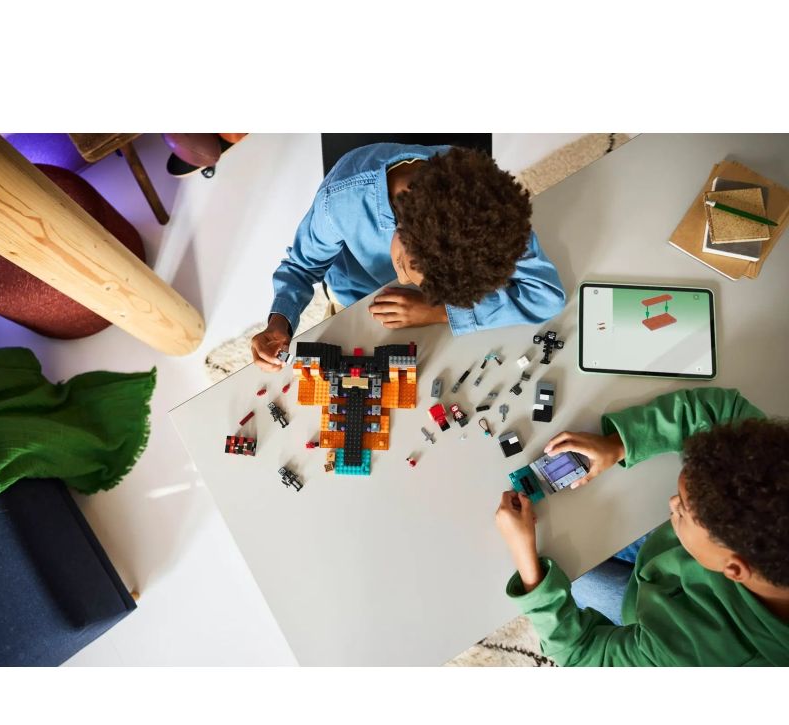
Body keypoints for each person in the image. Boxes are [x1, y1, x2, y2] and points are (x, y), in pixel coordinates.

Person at [494, 387, 789, 666]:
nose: (671, 503)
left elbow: (579, 653)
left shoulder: (689, 657)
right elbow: (722, 411)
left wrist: (525, 559)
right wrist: (618, 444)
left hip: (647, 612)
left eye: (683, 509)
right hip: (665, 558)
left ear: (734, 569)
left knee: (570, 575)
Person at [251, 143, 566, 371]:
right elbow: (301, 266)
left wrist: (437, 311)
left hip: (432, 318)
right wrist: (279, 323)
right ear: (402, 226)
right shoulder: (340, 202)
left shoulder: (489, 211)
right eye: (403, 266)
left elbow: (547, 296)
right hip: (361, 305)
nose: (401, 280)